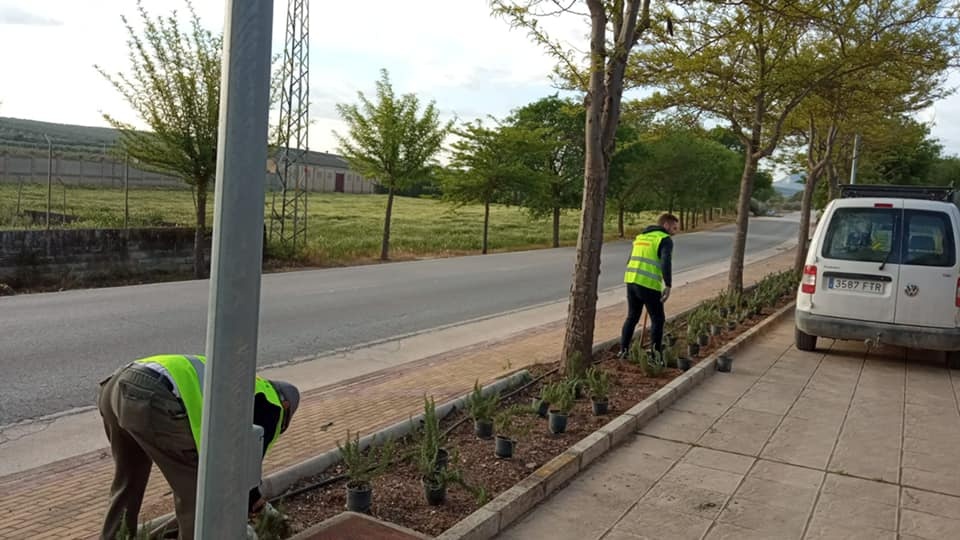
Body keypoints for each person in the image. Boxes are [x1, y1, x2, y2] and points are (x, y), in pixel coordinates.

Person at [97, 354, 300, 540]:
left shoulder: (247, 384)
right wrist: (251, 516)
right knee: (199, 493)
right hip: (151, 393)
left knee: (128, 482)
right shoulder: (272, 407)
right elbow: (241, 474)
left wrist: (256, 505)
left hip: (116, 386)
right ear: (287, 406)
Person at [618, 213, 680, 359]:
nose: (675, 232)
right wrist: (668, 285)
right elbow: (666, 262)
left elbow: (629, 260)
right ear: (666, 225)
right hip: (648, 284)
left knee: (632, 317)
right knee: (658, 319)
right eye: (674, 228)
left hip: (631, 281)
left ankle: (623, 350)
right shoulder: (664, 239)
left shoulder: (641, 237)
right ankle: (655, 355)